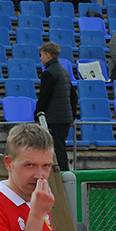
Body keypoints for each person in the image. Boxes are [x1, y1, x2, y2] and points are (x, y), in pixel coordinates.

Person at [35, 42, 75, 171]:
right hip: (65, 117)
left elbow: (44, 96)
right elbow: (74, 96)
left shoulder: (49, 73)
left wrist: (37, 114)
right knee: (60, 147)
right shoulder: (64, 72)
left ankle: (62, 175)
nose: (40, 59)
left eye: (41, 55)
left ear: (48, 55)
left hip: (54, 118)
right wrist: (72, 116)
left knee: (57, 150)